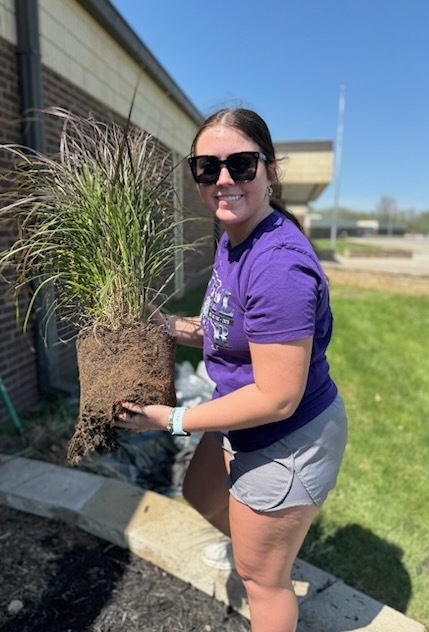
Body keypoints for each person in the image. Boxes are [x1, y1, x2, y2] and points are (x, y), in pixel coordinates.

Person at [116, 107, 348, 632]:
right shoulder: (234, 238)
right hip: (242, 421)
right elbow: (225, 323)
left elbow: (277, 397)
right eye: (206, 168)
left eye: (241, 165)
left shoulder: (278, 265)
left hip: (286, 437)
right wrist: (165, 325)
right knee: (200, 493)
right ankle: (259, 546)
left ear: (270, 170)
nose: (223, 180)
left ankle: (264, 565)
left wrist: (170, 421)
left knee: (264, 583)